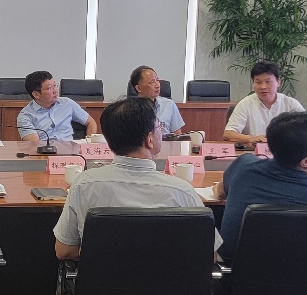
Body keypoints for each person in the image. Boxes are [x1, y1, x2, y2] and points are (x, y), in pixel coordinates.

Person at [53, 97, 204, 260]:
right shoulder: (182, 191)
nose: (160, 131)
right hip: (168, 276)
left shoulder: (83, 184)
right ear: (149, 139)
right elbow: (209, 253)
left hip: (105, 276)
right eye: (158, 127)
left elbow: (64, 251)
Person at [217, 111, 307, 263]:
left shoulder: (243, 166)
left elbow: (220, 192)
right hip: (304, 273)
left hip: (236, 272)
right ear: (306, 162)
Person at [223, 61, 306, 144]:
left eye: (268, 81)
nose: (263, 87)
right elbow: (228, 134)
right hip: (255, 151)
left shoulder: (291, 104)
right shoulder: (245, 104)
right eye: (258, 82)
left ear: (278, 82)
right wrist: (252, 138)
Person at [17, 70, 98, 143]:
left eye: (55, 85)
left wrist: (89, 144)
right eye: (49, 88)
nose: (55, 90)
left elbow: (91, 122)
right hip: (45, 152)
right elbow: (33, 145)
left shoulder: (67, 103)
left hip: (71, 151)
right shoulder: (25, 116)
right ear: (36, 94)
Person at [130, 65, 184, 135]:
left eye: (157, 80)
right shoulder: (130, 110)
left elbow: (177, 135)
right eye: (152, 82)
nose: (157, 85)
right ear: (139, 88)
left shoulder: (169, 104)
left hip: (165, 142)